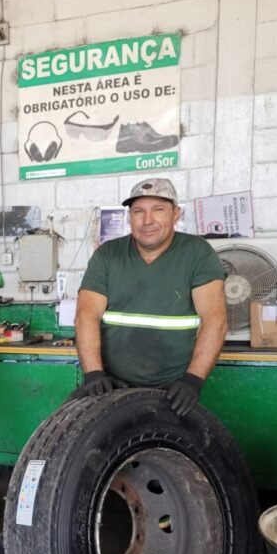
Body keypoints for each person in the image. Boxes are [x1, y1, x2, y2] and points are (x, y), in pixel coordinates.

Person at [72, 177, 227, 415]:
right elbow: (86, 315)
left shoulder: (197, 253)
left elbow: (215, 319)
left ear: (176, 214)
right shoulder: (107, 255)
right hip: (111, 386)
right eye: (138, 211)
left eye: (158, 210)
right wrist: (93, 374)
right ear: (129, 217)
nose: (147, 221)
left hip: (173, 390)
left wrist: (192, 381)